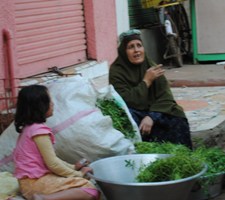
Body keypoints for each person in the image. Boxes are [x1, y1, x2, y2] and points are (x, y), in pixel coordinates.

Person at [13, 85, 100, 200]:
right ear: (40, 106)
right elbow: (53, 164)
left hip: (27, 183)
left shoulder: (28, 128)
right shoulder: (39, 131)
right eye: (49, 101)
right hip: (36, 183)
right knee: (91, 190)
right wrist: (79, 174)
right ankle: (43, 198)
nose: (52, 104)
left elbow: (50, 159)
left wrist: (73, 167)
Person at [109, 29, 192, 149]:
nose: (136, 50)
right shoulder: (116, 71)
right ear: (123, 51)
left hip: (155, 110)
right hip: (134, 111)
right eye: (131, 47)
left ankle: (182, 155)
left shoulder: (151, 66)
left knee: (177, 117)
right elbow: (126, 100)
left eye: (139, 45)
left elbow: (166, 97)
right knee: (130, 121)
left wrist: (152, 116)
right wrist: (146, 81)